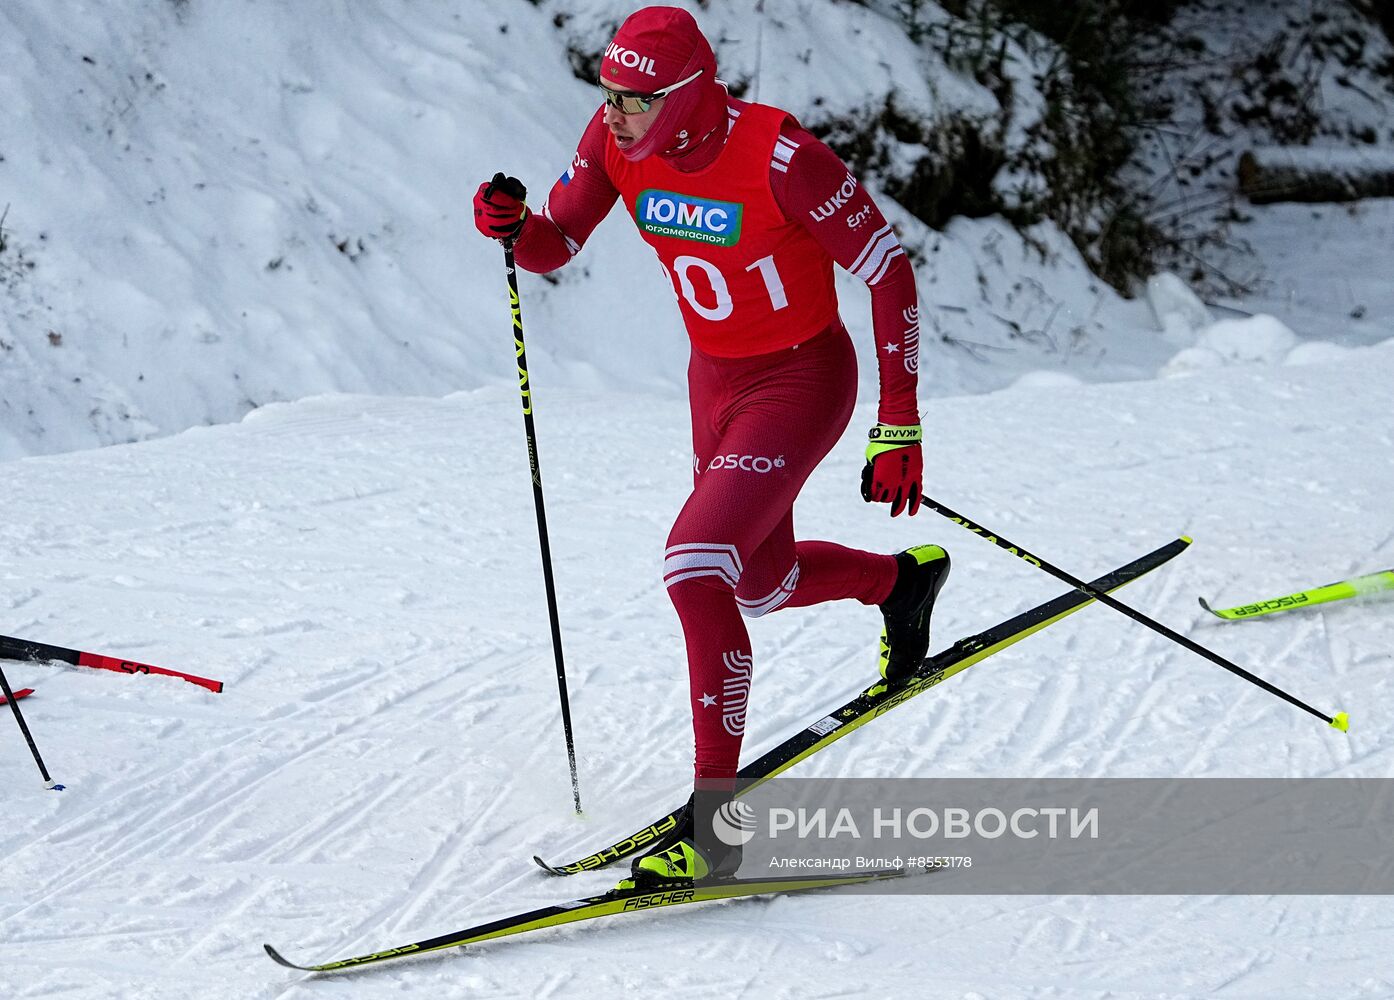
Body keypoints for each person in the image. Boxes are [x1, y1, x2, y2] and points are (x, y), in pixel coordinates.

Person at [474, 5, 950, 887]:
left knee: (695, 568)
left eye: (637, 98)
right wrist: (511, 225)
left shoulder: (782, 159)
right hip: (715, 383)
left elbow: (889, 267)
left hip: (804, 379)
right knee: (758, 584)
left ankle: (717, 824)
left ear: (690, 95)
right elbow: (555, 243)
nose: (614, 112)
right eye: (608, 93)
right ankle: (901, 582)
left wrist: (900, 421)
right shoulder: (619, 139)